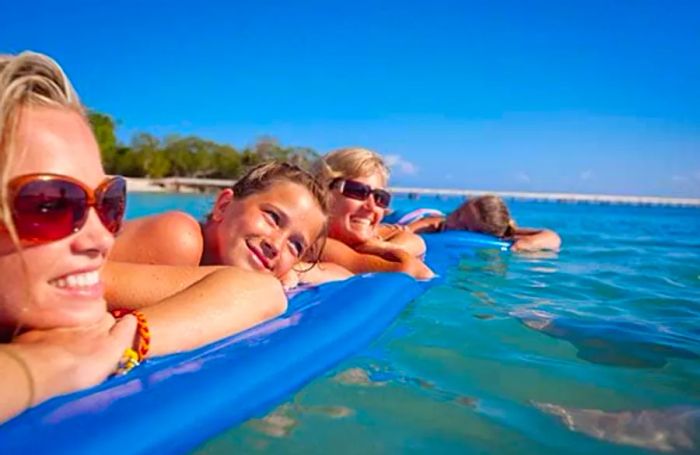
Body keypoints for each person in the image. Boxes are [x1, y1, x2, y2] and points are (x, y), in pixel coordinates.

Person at [0, 51, 285, 423]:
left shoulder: (74, 284)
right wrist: (41, 365)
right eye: (50, 203)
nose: (100, 238)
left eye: (108, 202)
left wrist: (120, 342)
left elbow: (259, 291)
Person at [109, 161, 351, 287]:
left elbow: (343, 276)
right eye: (273, 218)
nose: (276, 245)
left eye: (296, 245)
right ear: (223, 205)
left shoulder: (271, 269)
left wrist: (292, 273)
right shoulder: (179, 237)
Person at [311, 148, 433, 279]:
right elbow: (414, 270)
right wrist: (381, 249)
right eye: (357, 191)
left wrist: (379, 245)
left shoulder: (356, 236)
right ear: (321, 192)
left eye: (380, 197)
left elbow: (416, 241)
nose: (371, 206)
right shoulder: (317, 244)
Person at [380, 195, 561, 252]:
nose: (453, 223)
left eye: (464, 227)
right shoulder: (435, 224)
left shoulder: (503, 232)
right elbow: (406, 232)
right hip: (409, 216)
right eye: (458, 213)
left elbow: (553, 238)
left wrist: (526, 244)